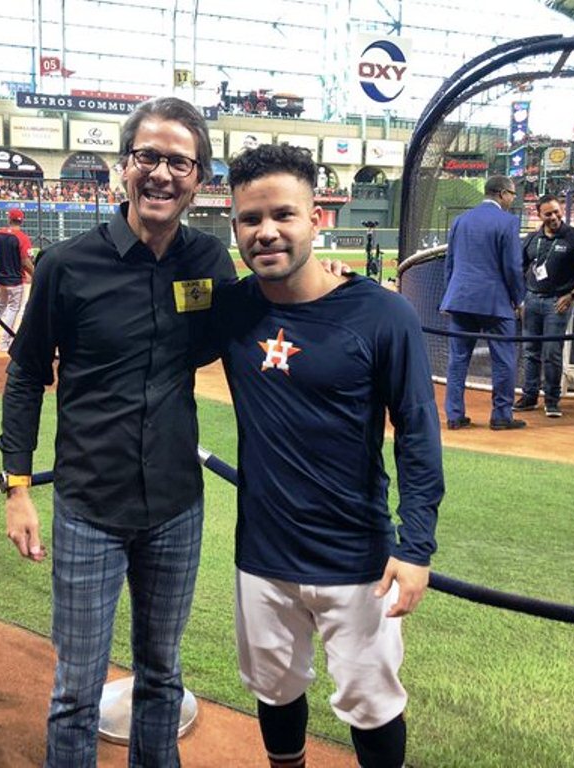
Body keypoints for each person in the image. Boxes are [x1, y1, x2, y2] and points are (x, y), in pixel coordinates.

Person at [0, 96, 235, 766]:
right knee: (77, 689)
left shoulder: (210, 261)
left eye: (179, 162)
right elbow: (26, 376)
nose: (161, 173)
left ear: (198, 178)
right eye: (148, 157)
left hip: (176, 506)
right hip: (89, 507)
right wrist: (17, 488)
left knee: (162, 675)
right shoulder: (68, 264)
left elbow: (238, 339)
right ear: (124, 167)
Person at [210, 143, 443, 768]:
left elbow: (418, 433)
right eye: (250, 219)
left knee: (372, 704)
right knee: (274, 690)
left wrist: (416, 546)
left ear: (318, 219)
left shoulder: (383, 314)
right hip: (263, 554)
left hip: (357, 558)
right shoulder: (232, 308)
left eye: (283, 214)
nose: (266, 232)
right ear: (234, 226)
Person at [440, 175, 526, 430]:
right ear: (502, 193)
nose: (513, 199)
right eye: (512, 194)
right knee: (503, 360)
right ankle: (501, 416)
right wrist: (518, 299)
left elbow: (450, 262)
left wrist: (449, 297)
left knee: (457, 359)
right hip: (494, 302)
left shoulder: (461, 220)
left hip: (460, 299)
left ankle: (454, 415)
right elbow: (512, 267)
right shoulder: (508, 221)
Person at [513, 195, 574, 418]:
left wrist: (571, 296)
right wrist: (520, 300)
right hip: (532, 300)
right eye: (548, 213)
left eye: (556, 211)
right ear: (539, 215)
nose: (554, 217)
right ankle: (529, 396)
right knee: (530, 351)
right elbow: (520, 268)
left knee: (552, 352)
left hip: (558, 302)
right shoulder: (532, 239)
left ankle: (552, 400)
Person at [0, 208, 34, 353]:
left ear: (9, 219)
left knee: (0, 306)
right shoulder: (23, 238)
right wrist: (35, 274)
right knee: (13, 309)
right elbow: (25, 261)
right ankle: (4, 342)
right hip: (16, 280)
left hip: (1, 278)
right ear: (21, 221)